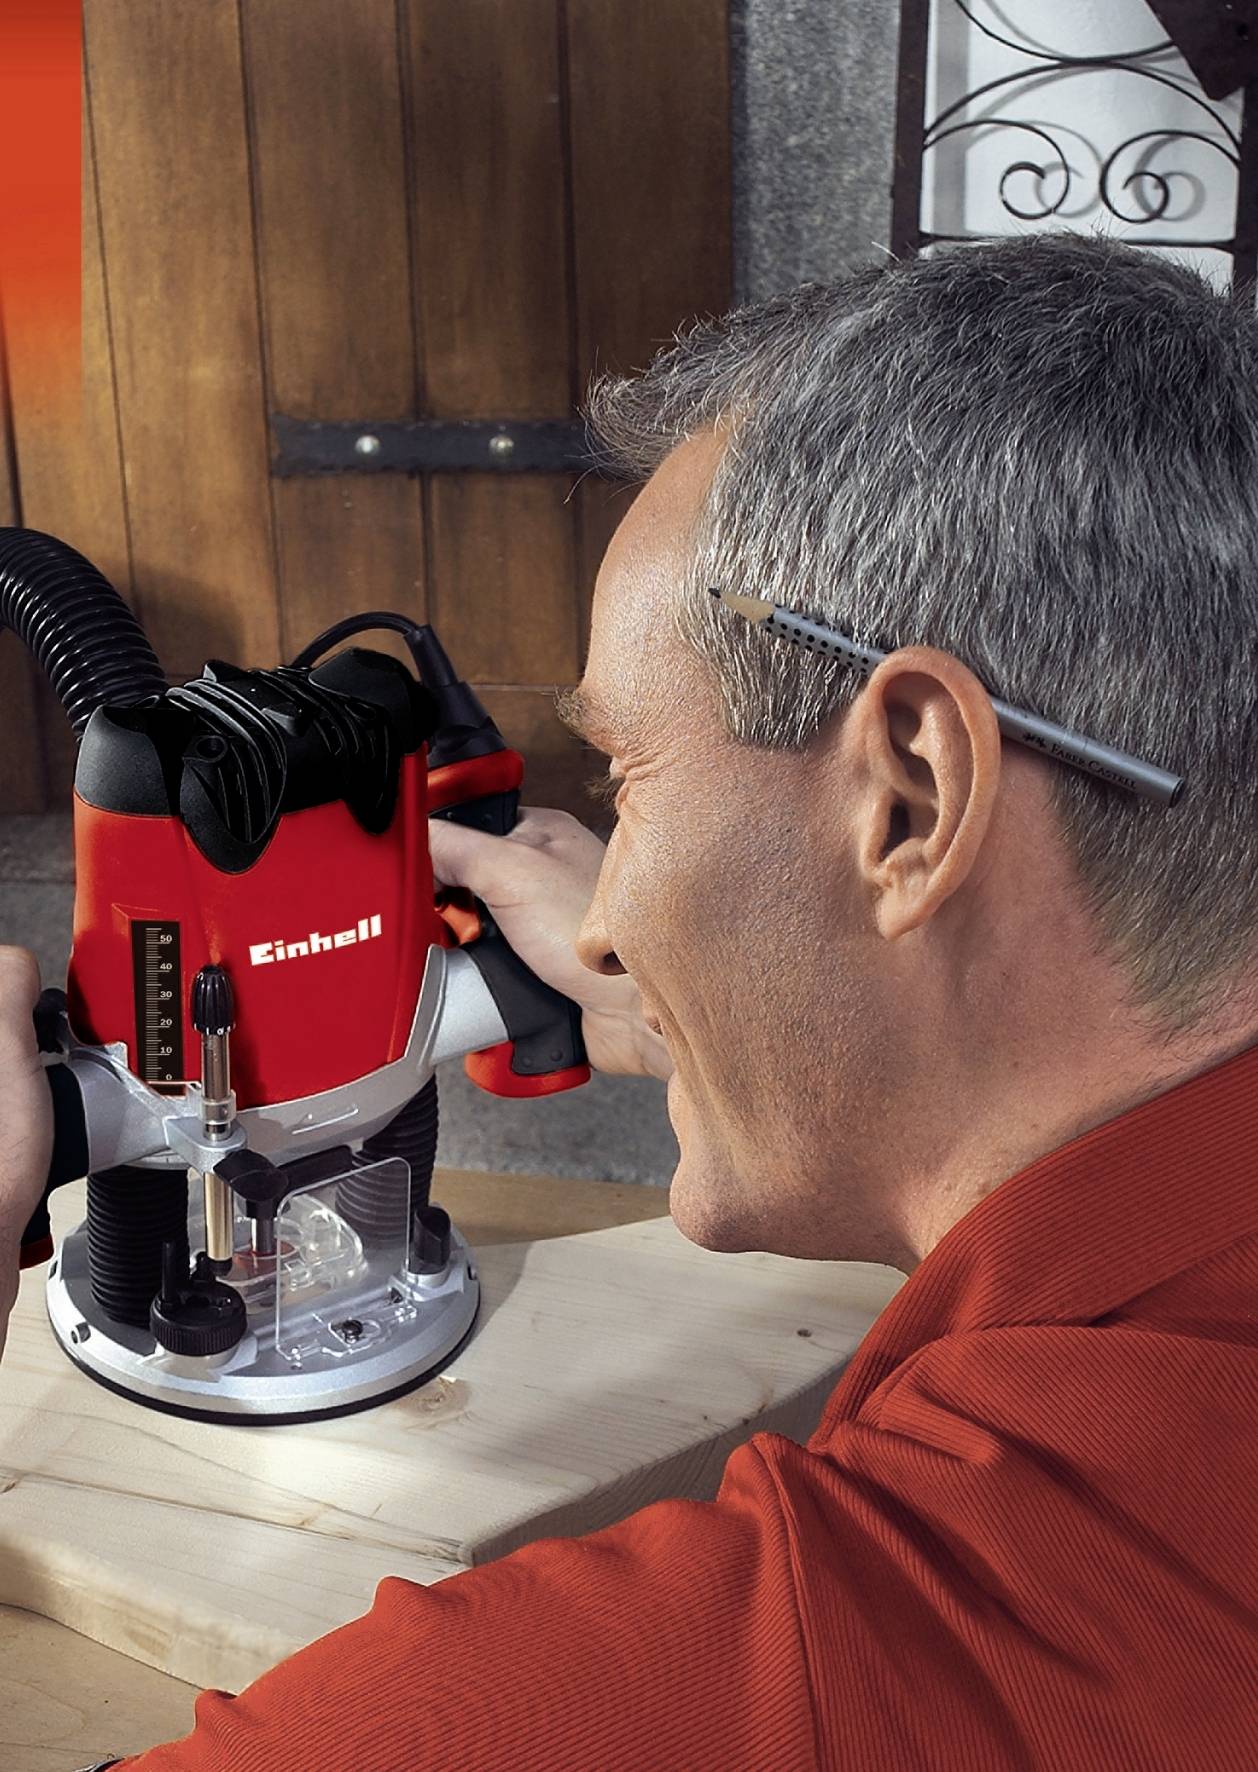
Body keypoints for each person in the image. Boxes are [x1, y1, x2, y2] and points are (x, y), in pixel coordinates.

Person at [3, 231, 1257, 1769]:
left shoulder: (720, 1679)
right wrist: (688, 1014)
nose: (596, 919)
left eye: (626, 777)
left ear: (911, 801)